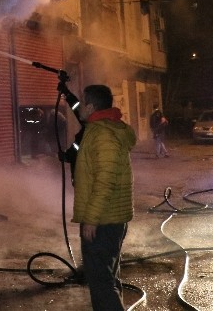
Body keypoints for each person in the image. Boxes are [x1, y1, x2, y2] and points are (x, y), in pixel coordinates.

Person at [72, 84, 136, 311]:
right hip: (110, 219)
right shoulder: (103, 129)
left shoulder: (102, 134)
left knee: (101, 282)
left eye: (82, 100)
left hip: (103, 221)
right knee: (107, 277)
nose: (79, 104)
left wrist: (91, 219)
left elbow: (105, 180)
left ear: (90, 106)